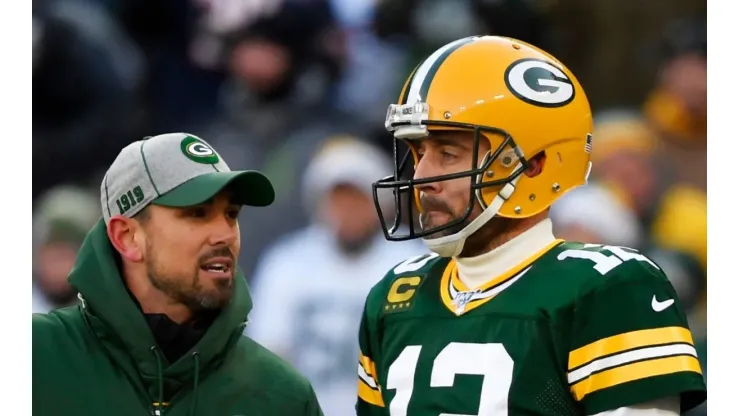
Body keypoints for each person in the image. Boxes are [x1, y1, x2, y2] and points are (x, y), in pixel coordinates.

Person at [355, 36, 707, 416]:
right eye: (419, 153)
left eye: (448, 154)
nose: (422, 177)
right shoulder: (395, 293)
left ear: (533, 165)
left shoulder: (608, 286)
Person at [32, 133, 324, 416]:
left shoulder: (283, 396)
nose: (225, 234)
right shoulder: (35, 357)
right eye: (198, 214)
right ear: (127, 237)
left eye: (231, 214)